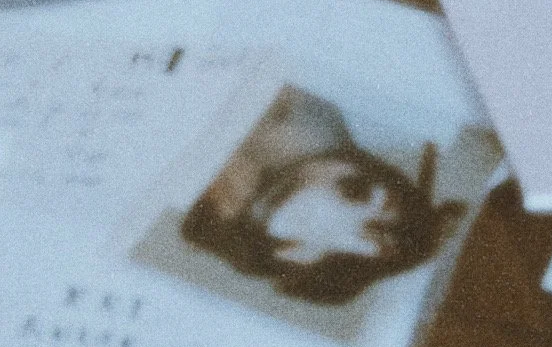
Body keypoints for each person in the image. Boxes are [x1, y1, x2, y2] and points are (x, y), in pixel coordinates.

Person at [175, 85, 464, 307]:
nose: (378, 198)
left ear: (300, 255)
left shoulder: (219, 213)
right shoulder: (312, 124)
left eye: (375, 232)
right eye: (393, 196)